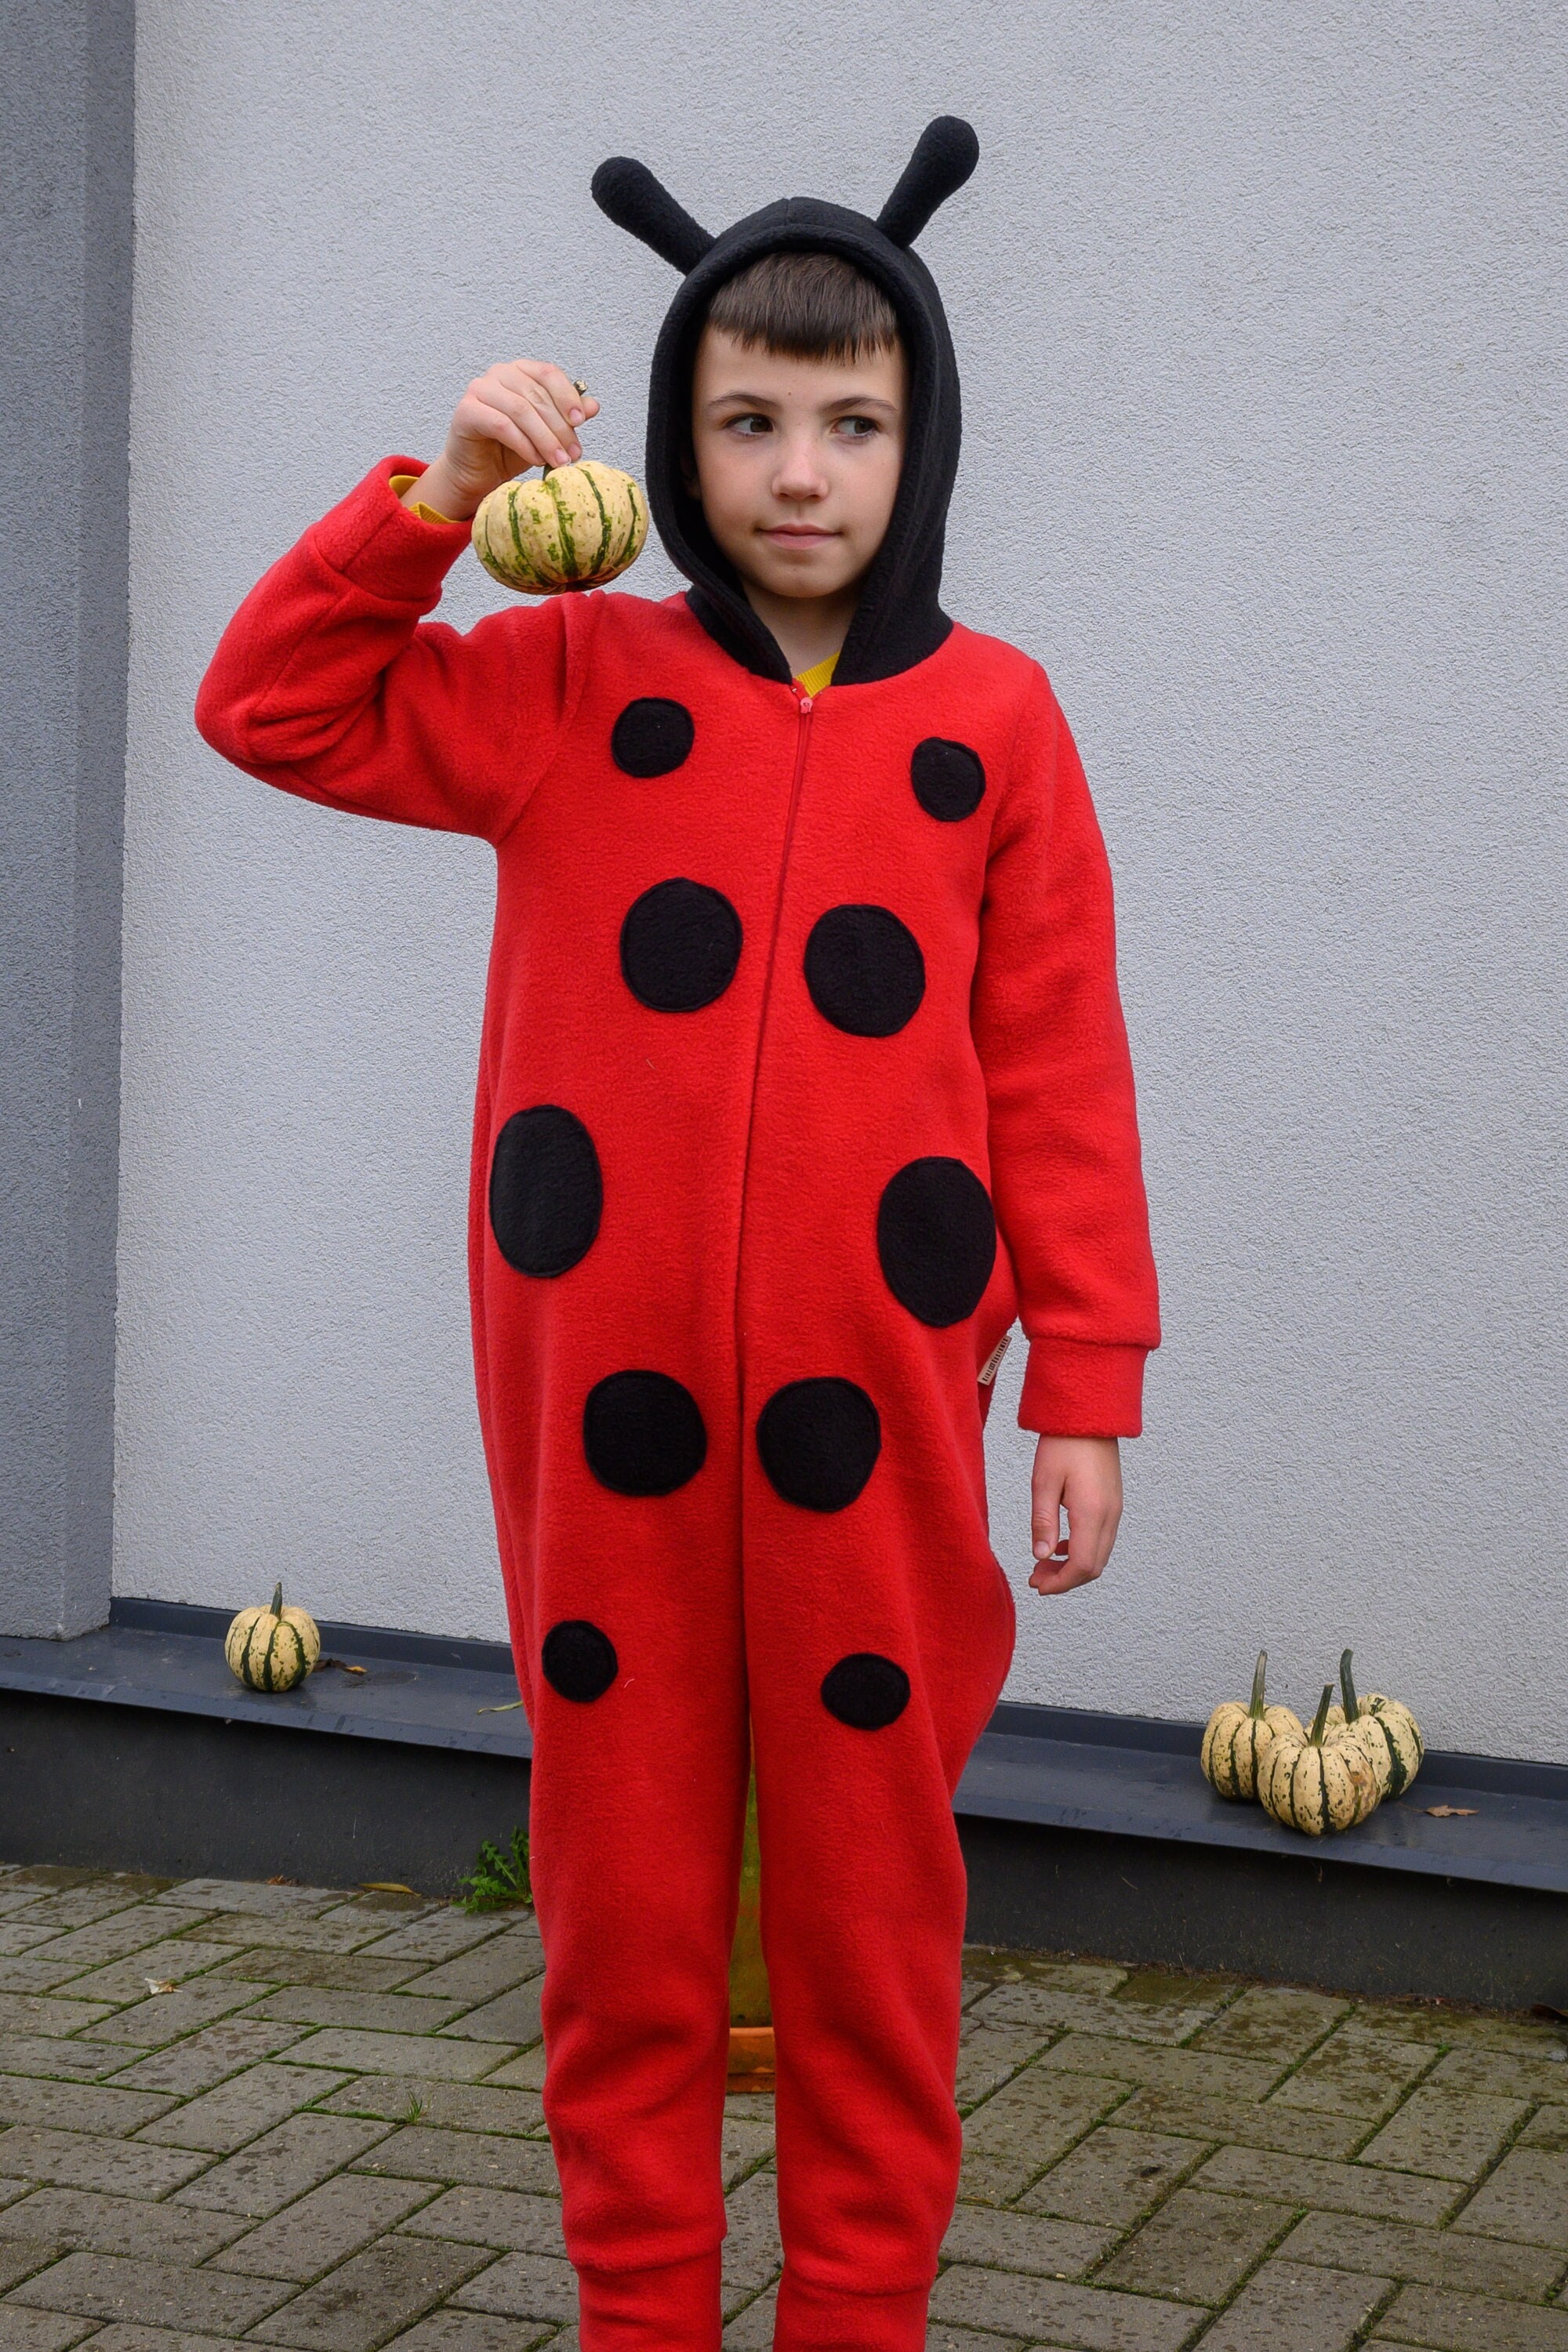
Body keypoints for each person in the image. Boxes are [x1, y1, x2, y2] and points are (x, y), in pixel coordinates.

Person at [196, 116, 1159, 2352]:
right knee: (622, 1904)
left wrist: (1088, 1387)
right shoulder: (569, 684)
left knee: (867, 1910)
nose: (798, 473)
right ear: (674, 435)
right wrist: (433, 498)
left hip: (884, 1438)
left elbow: (1061, 1073)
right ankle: (642, 2314)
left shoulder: (998, 723)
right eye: (745, 422)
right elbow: (273, 707)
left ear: (920, 436)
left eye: (850, 422)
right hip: (603, 1441)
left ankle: (857, 2314)